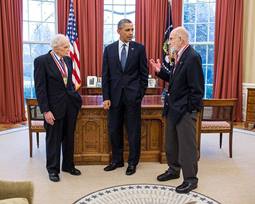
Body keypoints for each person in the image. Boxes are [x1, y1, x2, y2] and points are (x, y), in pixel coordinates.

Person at [150, 26, 204, 193]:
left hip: (185, 110)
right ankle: (173, 170)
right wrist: (161, 72)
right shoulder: (179, 56)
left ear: (181, 39)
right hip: (173, 108)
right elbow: (175, 80)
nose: (169, 42)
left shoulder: (192, 57)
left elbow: (197, 89)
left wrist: (190, 110)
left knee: (187, 146)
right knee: (171, 142)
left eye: (172, 39)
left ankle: (190, 179)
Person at [102, 19, 148, 175]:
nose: (131, 33)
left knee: (133, 131)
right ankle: (117, 160)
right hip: (114, 98)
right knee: (114, 130)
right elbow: (105, 75)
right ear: (119, 31)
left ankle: (133, 162)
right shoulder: (109, 49)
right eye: (127, 30)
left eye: (132, 30)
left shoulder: (139, 49)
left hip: (132, 98)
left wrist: (139, 94)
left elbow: (144, 75)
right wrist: (106, 97)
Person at [34, 34, 82, 182]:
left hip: (70, 106)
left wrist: (75, 98)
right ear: (55, 48)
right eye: (65, 47)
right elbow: (40, 89)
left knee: (69, 137)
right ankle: (53, 169)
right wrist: (46, 110)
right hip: (53, 109)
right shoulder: (42, 61)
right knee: (53, 140)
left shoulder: (68, 60)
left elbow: (68, 84)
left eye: (68, 46)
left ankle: (68, 165)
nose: (69, 49)